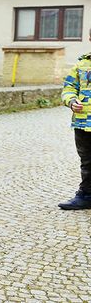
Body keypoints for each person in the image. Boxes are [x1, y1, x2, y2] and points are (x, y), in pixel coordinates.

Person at [59, 28, 91, 210]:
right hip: (83, 122)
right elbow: (68, 87)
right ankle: (86, 195)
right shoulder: (81, 65)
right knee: (86, 161)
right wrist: (71, 101)